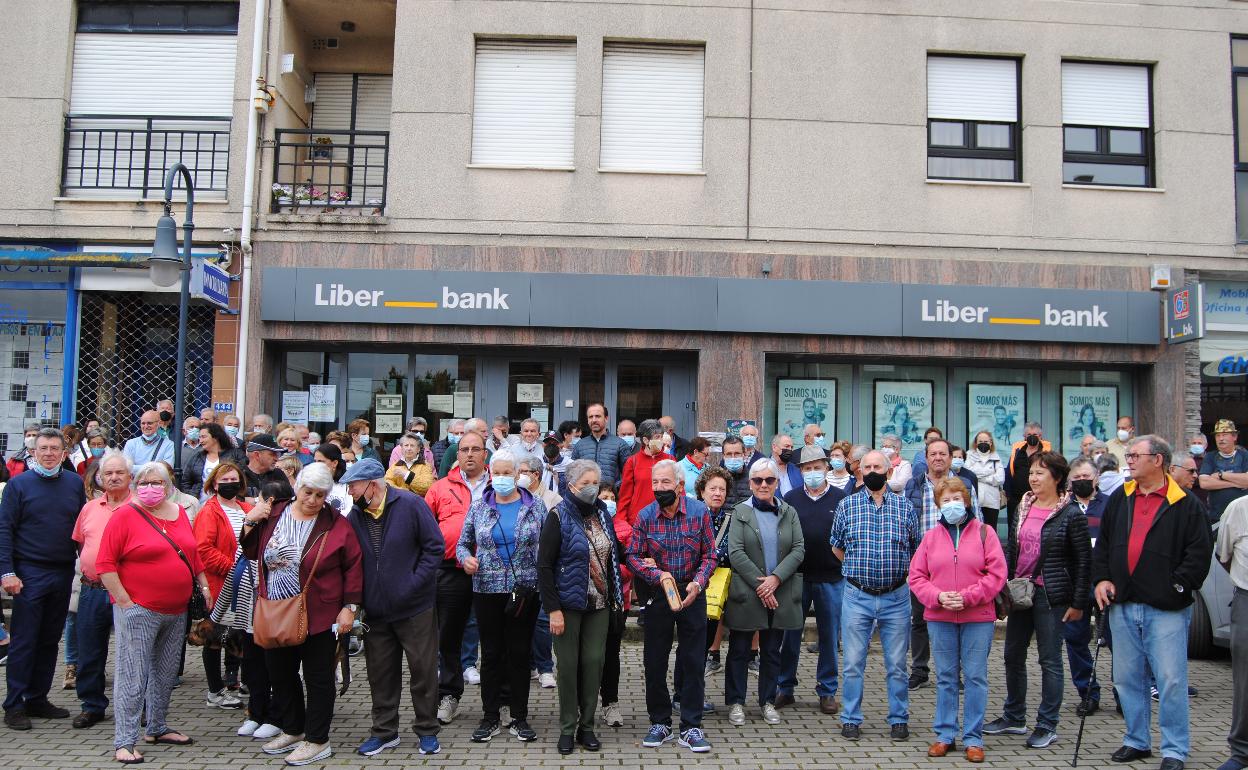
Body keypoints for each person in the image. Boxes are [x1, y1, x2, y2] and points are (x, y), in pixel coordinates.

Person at [1093, 435, 1212, 770]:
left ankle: (1174, 749)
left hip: (1166, 609)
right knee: (1128, 678)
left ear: (1157, 460)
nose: (1128, 460)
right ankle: (1136, 740)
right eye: (1128, 455)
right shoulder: (1121, 497)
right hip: (1124, 605)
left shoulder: (1186, 503)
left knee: (1171, 680)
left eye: (1135, 455)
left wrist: (1177, 585)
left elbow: (1199, 554)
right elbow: (1103, 545)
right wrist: (1101, 579)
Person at [240, 462, 363, 766]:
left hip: (320, 612)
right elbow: (252, 551)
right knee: (279, 673)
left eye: (320, 495)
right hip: (275, 608)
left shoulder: (335, 523)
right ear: (297, 488)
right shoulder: (275, 513)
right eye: (308, 492)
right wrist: (249, 522)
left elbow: (353, 566)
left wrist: (349, 609)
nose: (312, 500)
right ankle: (293, 728)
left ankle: (318, 739)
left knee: (318, 677)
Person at [96, 462, 210, 763]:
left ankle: (157, 727)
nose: (151, 487)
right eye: (145, 482)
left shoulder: (178, 514)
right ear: (135, 484)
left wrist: (204, 586)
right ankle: (124, 740)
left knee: (165, 672)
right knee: (132, 676)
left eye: (157, 482)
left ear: (169, 484)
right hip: (139, 609)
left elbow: (192, 554)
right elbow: (105, 565)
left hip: (176, 609)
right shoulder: (125, 516)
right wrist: (124, 602)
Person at [985, 450, 1090, 749]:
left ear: (1057, 478)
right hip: (1022, 592)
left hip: (1052, 595)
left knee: (1049, 660)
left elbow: (1084, 562)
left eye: (1040, 473)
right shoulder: (1022, 506)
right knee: (1012, 655)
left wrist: (1078, 603)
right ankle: (1015, 716)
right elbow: (1014, 548)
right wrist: (1005, 580)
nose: (1032, 477)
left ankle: (1047, 724)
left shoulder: (1071, 514)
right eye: (1031, 472)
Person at [340, 458, 444, 757]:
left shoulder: (411, 504)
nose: (350, 493)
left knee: (423, 671)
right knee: (380, 673)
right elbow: (351, 560)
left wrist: (413, 584)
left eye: (354, 487)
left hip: (415, 608)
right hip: (376, 611)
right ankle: (384, 732)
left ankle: (427, 729)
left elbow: (434, 547)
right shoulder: (355, 516)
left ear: (373, 485)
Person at [908, 477, 1006, 763]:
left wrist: (969, 596)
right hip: (940, 617)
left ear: (967, 501)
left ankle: (973, 738)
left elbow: (997, 574)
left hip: (978, 615)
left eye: (956, 499)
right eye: (945, 500)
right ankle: (945, 734)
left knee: (975, 677)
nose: (951, 505)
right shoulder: (930, 538)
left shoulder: (986, 532)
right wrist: (938, 597)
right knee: (947, 677)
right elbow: (916, 577)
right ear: (938, 505)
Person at [626, 459, 717, 753]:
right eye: (655, 483)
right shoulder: (645, 516)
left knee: (692, 661)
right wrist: (657, 574)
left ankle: (690, 726)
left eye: (665, 483)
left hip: (692, 593)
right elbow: (633, 556)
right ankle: (660, 722)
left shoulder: (699, 512)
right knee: (654, 661)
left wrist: (699, 582)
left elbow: (710, 556)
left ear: (679, 485)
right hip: (658, 596)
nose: (659, 488)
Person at [456, 449, 545, 744]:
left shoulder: (536, 506)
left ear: (519, 474)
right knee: (492, 654)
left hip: (524, 590)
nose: (504, 478)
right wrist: (466, 560)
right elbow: (462, 544)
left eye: (509, 472)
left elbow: (548, 547)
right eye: (499, 473)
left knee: (519, 654)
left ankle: (519, 716)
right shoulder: (480, 507)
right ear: (490, 474)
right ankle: (490, 715)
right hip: (487, 589)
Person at [830, 449, 920, 742]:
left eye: (877, 466)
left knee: (896, 664)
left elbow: (915, 548)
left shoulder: (905, 508)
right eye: (866, 466)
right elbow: (837, 546)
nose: (871, 471)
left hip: (896, 597)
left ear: (888, 470)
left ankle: (898, 718)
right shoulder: (847, 506)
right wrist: (859, 569)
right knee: (854, 663)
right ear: (860, 471)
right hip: (857, 596)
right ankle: (851, 718)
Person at [1, 427, 86, 731]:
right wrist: (7, 572)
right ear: (33, 452)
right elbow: (5, 530)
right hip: (28, 572)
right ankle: (14, 704)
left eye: (54, 448)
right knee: (25, 640)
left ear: (64, 453)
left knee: (50, 639)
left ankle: (37, 698)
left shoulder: (74, 484)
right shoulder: (18, 485)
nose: (49, 453)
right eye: (43, 448)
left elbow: (81, 529)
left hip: (62, 571)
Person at [538, 459, 624, 754]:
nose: (592, 488)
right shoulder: (558, 516)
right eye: (586, 482)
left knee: (593, 662)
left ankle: (587, 727)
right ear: (571, 484)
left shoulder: (602, 513)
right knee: (568, 668)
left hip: (599, 603)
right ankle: (567, 727)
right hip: (567, 605)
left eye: (595, 483)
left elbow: (612, 553)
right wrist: (553, 609)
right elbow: (544, 566)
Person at [720, 455, 806, 728]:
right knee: (739, 649)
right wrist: (762, 585)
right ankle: (736, 701)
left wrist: (775, 579)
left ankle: (768, 701)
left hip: (778, 591)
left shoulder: (788, 511)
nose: (764, 484)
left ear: (777, 482)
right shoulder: (739, 512)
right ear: (751, 483)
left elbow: (798, 549)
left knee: (771, 651)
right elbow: (735, 552)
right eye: (758, 480)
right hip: (748, 592)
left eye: (769, 480)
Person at [903, 438, 980, 690]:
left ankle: (954, 673)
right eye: (933, 453)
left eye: (943, 453)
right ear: (926, 458)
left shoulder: (964, 484)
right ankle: (920, 670)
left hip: (957, 564)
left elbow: (976, 522)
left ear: (950, 457)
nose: (938, 457)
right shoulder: (913, 485)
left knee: (955, 618)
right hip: (923, 563)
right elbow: (907, 525)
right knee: (919, 619)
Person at [425, 430, 491, 725]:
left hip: (494, 573)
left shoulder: (500, 485)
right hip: (450, 570)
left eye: (476, 449)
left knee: (495, 637)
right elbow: (425, 531)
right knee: (448, 636)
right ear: (456, 454)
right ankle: (448, 695)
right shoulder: (440, 488)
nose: (469, 454)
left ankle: (498, 701)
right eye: (464, 449)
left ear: (485, 454)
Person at [776, 445, 847, 715]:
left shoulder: (841, 497)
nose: (813, 473)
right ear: (800, 471)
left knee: (829, 636)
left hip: (831, 577)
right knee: (790, 635)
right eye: (808, 469)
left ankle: (827, 690)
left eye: (818, 467)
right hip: (797, 577)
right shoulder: (790, 497)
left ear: (827, 468)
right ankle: (785, 687)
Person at [69, 450, 132, 730]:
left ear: (130, 477)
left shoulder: (141, 507)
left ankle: (134, 707)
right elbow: (82, 544)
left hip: (129, 591)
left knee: (133, 653)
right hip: (93, 590)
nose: (114, 477)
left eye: (119, 472)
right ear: (100, 478)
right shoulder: (89, 508)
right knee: (90, 652)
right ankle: (92, 705)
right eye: (108, 473)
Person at [192, 461, 250, 711]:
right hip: (221, 584)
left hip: (246, 587)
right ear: (214, 484)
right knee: (215, 638)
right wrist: (234, 568)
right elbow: (203, 549)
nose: (229, 485)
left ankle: (234, 682)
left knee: (237, 634)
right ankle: (215, 691)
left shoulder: (247, 507)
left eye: (233, 480)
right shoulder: (210, 511)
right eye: (224, 481)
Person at [1063, 456, 1109, 716]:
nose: (1081, 482)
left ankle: (1124, 694)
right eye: (1076, 478)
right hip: (1074, 585)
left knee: (1116, 641)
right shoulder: (1063, 507)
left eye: (1086, 477)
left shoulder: (1112, 506)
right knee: (1075, 640)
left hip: (1104, 582)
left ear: (1097, 478)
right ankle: (1088, 693)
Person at [1217, 493, 1248, 770]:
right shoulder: (1239, 508)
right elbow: (1223, 555)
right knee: (1245, 679)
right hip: (1247, 599)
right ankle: (1241, 751)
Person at [695, 466, 734, 676]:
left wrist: (712, 554)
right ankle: (684, 696)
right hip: (694, 586)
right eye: (713, 489)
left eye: (722, 489)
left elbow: (732, 552)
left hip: (717, 588)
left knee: (707, 639)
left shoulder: (730, 519)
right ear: (702, 491)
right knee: (692, 645)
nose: (718, 493)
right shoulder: (692, 514)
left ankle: (694, 695)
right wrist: (716, 555)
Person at [618, 419, 675, 526]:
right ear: (645, 440)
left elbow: (679, 491)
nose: (661, 440)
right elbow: (625, 495)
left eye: (662, 436)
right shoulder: (633, 461)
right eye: (657, 437)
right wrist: (622, 523)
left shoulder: (670, 460)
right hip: (638, 521)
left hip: (665, 520)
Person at [1004, 422, 1051, 529]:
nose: (1032, 437)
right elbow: (1009, 471)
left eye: (1035, 434)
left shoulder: (1046, 453)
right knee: (1014, 528)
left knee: (1034, 527)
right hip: (1016, 499)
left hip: (1038, 498)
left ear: (1040, 436)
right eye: (1029, 434)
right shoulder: (1017, 451)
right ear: (1024, 436)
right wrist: (1007, 493)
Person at [571, 404, 630, 488]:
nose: (594, 420)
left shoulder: (620, 444)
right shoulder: (580, 445)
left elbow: (628, 474)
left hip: (610, 497)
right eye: (590, 417)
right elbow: (573, 473)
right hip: (585, 497)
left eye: (598, 416)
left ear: (606, 418)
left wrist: (614, 489)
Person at [1200, 419, 1248, 522]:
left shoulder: (1244, 455)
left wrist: (1221, 475)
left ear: (1234, 436)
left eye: (1225, 434)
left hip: (1242, 517)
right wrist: (1237, 483)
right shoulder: (1210, 457)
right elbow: (1204, 483)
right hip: (1217, 516)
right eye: (1218, 435)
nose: (1221, 439)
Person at [182, 422, 247, 498]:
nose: (200, 441)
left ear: (215, 437)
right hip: (200, 504)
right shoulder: (197, 457)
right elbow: (186, 482)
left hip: (227, 503)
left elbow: (243, 480)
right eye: (199, 437)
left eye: (204, 437)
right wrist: (191, 498)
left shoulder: (235, 455)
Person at [966, 431, 1005, 532]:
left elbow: (1000, 478)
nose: (983, 443)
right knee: (974, 530)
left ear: (991, 443)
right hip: (974, 501)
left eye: (986, 441)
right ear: (976, 443)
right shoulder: (969, 455)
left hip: (992, 501)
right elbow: (968, 473)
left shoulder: (996, 457)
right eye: (980, 441)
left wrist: (979, 477)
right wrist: (989, 474)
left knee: (990, 530)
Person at [242, 434, 286, 501]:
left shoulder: (278, 474)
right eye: (272, 454)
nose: (276, 458)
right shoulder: (238, 474)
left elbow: (288, 500)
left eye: (278, 454)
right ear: (257, 455)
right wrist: (243, 500)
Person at [313, 443, 352, 514]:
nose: (316, 465)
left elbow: (350, 511)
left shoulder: (348, 485)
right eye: (315, 461)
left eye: (321, 462)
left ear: (334, 463)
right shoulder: (311, 483)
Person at [720, 435, 753, 509]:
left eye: (737, 453)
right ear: (723, 456)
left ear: (744, 454)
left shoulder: (754, 479)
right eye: (729, 454)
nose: (733, 458)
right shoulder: (717, 480)